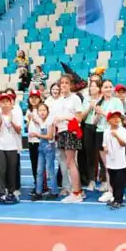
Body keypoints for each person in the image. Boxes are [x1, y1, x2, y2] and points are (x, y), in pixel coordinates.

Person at [53, 74, 84, 203]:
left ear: (71, 85)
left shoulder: (75, 98)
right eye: (62, 83)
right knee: (70, 162)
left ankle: (76, 193)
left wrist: (64, 118)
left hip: (70, 131)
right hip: (62, 132)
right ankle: (78, 190)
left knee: (71, 162)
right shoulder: (59, 100)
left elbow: (79, 118)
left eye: (66, 83)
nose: (64, 85)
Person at [0, 92, 22, 204]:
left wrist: (11, 120)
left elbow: (19, 131)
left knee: (12, 170)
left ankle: (11, 192)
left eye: (7, 102)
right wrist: (0, 122)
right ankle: (1, 193)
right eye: (2, 102)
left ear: (11, 104)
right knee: (1, 170)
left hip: (12, 145)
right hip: (0, 146)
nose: (5, 104)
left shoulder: (15, 115)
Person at [29, 102, 57, 200]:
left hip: (49, 147)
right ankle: (38, 192)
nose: (42, 112)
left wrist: (37, 135)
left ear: (48, 111)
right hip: (41, 146)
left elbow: (49, 136)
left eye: (44, 110)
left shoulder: (50, 121)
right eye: (40, 110)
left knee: (50, 170)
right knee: (39, 170)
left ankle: (54, 192)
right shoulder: (41, 121)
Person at [102, 110, 126, 209]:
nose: (117, 119)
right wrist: (105, 148)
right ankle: (115, 198)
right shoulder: (106, 131)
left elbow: (124, 144)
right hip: (110, 161)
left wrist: (117, 136)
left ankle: (119, 200)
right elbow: (104, 144)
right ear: (109, 120)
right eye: (114, 117)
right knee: (112, 181)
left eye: (118, 117)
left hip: (120, 162)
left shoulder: (122, 130)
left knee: (119, 182)